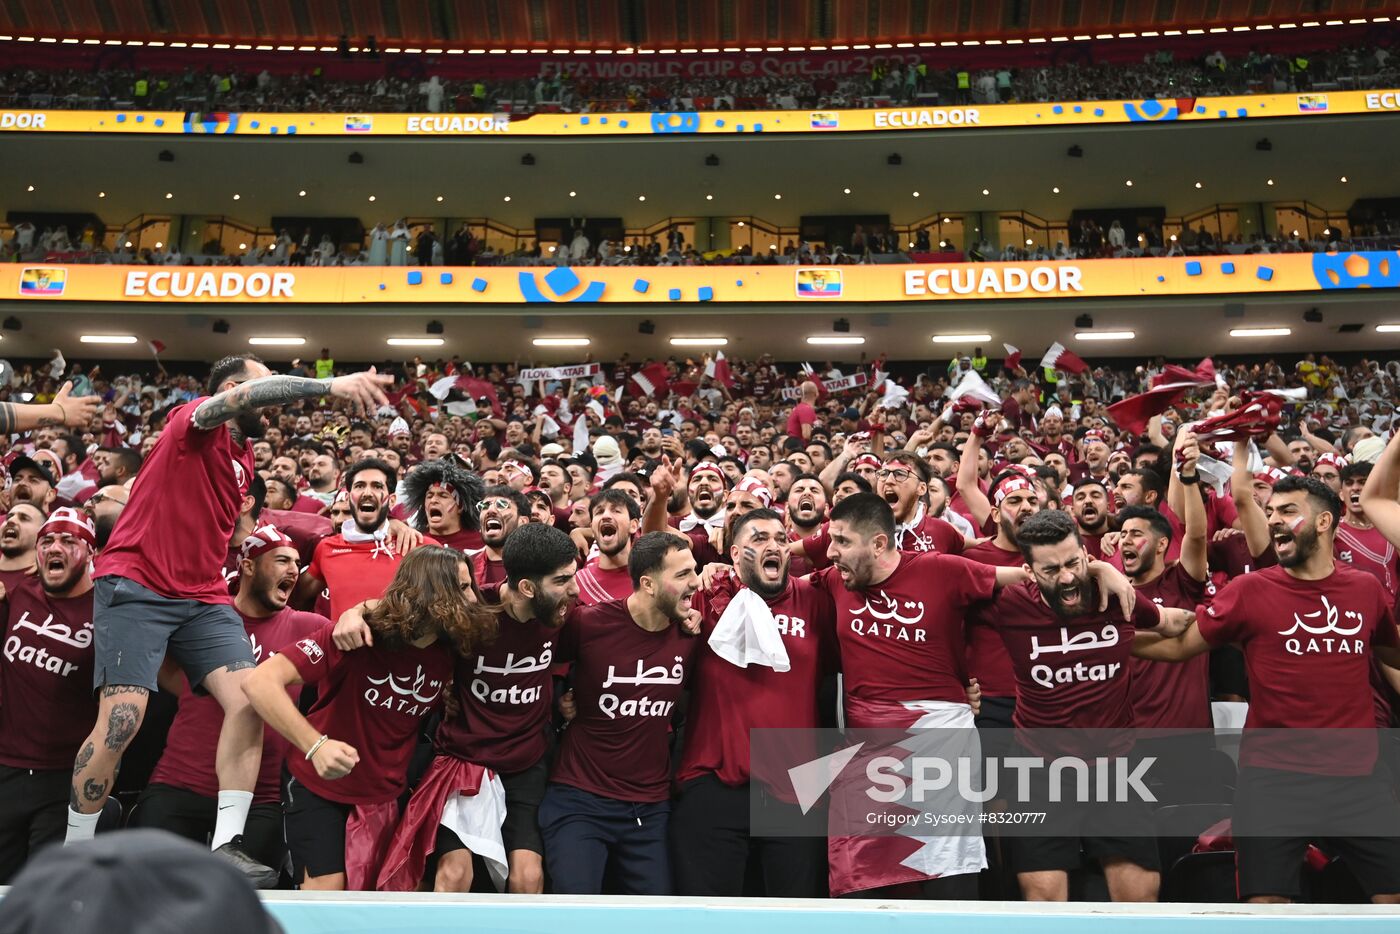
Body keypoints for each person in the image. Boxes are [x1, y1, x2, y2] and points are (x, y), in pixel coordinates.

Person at [65, 353, 389, 888]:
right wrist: (331, 385)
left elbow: (239, 530)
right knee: (124, 716)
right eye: (268, 387)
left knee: (249, 699)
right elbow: (238, 400)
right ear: (238, 389)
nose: (276, 396)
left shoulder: (245, 458)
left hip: (203, 594)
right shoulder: (193, 421)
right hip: (138, 581)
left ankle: (227, 844)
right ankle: (74, 853)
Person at [1141, 476, 1400, 904]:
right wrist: (1103, 631)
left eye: (1287, 511)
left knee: (1393, 904)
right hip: (1274, 783)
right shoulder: (1250, 590)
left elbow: (1391, 653)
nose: (1274, 521)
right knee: (1267, 911)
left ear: (1324, 522)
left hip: (1360, 781)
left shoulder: (1366, 590)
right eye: (1272, 511)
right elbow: (1176, 646)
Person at [242, 546, 494, 890]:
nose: (472, 599)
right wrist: (316, 746)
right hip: (317, 784)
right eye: (462, 588)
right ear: (432, 593)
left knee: (386, 894)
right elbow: (259, 682)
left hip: (383, 795)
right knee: (328, 892)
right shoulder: (358, 635)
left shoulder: (449, 651)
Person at [353, 523, 579, 893]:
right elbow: (406, 613)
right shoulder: (471, 611)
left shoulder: (561, 612)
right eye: (563, 580)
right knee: (455, 875)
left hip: (525, 764)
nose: (574, 588)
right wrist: (358, 611)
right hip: (464, 760)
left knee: (528, 878)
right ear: (527, 588)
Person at [983, 509, 1192, 902]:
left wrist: (1222, 624)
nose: (1065, 578)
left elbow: (1172, 623)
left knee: (1140, 898)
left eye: (1073, 563)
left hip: (1116, 765)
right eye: (1049, 570)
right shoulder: (1010, 605)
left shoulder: (1116, 596)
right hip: (1038, 768)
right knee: (1043, 900)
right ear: (1028, 571)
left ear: (1085, 553)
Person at [133, 526, 327, 871]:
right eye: (282, 560)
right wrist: (202, 693)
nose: (294, 570)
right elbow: (159, 663)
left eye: (297, 562)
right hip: (178, 784)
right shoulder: (203, 617)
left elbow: (352, 643)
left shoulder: (308, 626)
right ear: (249, 565)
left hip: (260, 797)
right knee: (150, 905)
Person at [672, 509, 834, 897]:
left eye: (781, 538)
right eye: (759, 538)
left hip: (795, 791)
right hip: (712, 784)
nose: (774, 545)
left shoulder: (815, 601)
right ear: (733, 553)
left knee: (793, 922)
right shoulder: (705, 597)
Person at [539, 532, 700, 895]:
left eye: (695, 571)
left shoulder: (691, 634)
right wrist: (561, 698)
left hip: (650, 807)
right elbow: (538, 662)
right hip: (579, 800)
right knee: (576, 916)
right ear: (648, 583)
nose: (694, 582)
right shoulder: (588, 624)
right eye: (682, 574)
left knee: (656, 920)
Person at [0, 509, 98, 882]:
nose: (55, 548)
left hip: (64, 778)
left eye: (69, 541)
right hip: (5, 769)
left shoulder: (108, 610)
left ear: (91, 553)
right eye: (47, 542)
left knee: (47, 889)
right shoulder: (18, 591)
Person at [297, 458, 436, 621]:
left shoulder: (421, 547)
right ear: (349, 498)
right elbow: (297, 600)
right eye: (359, 486)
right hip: (342, 647)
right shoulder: (327, 548)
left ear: (391, 501)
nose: (367, 493)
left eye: (377, 486)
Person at [399, 457, 485, 553]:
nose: (433, 500)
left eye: (443, 496)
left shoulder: (481, 543)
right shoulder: (412, 542)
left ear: (460, 507)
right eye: (429, 496)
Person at [574, 489, 641, 606]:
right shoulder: (576, 583)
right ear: (592, 529)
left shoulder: (649, 578)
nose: (605, 516)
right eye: (599, 512)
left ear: (633, 525)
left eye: (616, 510)